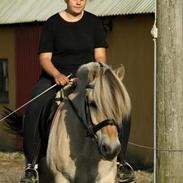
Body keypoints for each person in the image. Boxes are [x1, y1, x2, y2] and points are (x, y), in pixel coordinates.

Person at [20, 0, 134, 182]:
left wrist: (95, 74)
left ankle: (122, 162)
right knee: (35, 105)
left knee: (121, 106)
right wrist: (57, 75)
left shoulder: (94, 22)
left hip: (89, 76)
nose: (79, 1)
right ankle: (31, 165)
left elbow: (100, 55)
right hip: (56, 78)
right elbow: (45, 58)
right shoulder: (52, 23)